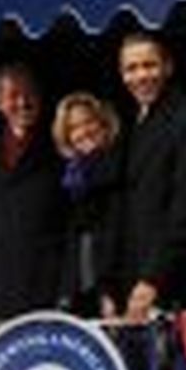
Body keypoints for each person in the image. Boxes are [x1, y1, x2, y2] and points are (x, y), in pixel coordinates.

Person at [113, 33, 186, 322]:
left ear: (168, 67)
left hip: (171, 284)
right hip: (133, 280)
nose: (141, 76)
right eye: (131, 68)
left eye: (149, 65)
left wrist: (153, 278)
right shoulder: (130, 122)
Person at [0, 63, 66, 318]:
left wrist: (66, 292)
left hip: (51, 297)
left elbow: (74, 230)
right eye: (13, 95)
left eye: (29, 94)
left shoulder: (61, 151)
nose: (22, 103)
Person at [51, 91, 124, 317]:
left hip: (115, 284)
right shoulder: (72, 176)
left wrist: (108, 290)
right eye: (74, 127)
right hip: (81, 285)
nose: (83, 131)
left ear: (103, 124)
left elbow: (116, 231)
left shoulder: (120, 165)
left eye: (88, 122)